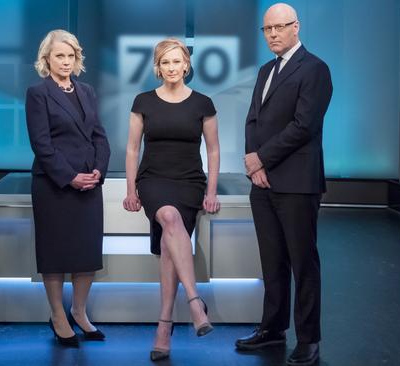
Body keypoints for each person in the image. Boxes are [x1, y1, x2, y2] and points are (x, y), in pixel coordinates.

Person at [235, 3, 333, 366]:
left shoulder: (315, 69)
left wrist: (262, 158)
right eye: (267, 29)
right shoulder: (265, 70)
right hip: (263, 182)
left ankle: (309, 339)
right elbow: (253, 121)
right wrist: (252, 162)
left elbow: (303, 126)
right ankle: (272, 329)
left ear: (296, 27)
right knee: (271, 261)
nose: (273, 34)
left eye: (280, 27)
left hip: (297, 182)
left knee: (302, 262)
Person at [123, 38, 221, 361]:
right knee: (168, 217)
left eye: (177, 61)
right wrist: (130, 189)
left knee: (170, 243)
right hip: (153, 180)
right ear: (158, 67)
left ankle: (164, 327)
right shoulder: (143, 101)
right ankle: (195, 301)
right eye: (165, 62)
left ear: (186, 65)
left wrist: (211, 192)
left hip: (190, 182)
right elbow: (132, 149)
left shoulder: (204, 103)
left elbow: (214, 150)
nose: (172, 68)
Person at [25, 29, 111, 347]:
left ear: (77, 59)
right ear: (47, 59)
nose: (65, 61)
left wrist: (98, 171)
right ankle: (58, 316)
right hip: (54, 186)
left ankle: (79, 311)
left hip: (89, 184)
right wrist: (71, 176)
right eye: (59, 55)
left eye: (70, 56)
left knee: (86, 253)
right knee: (56, 254)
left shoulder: (86, 91)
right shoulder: (38, 93)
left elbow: (99, 135)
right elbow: (41, 145)